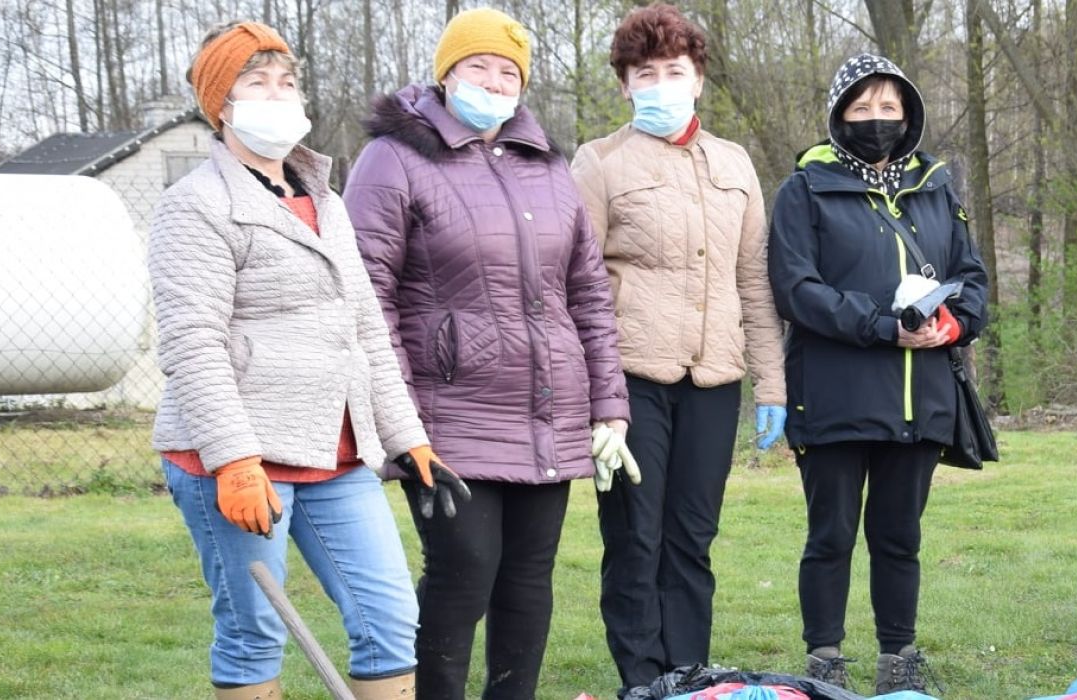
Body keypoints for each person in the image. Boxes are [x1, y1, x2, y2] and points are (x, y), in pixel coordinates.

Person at [151, 21, 466, 700]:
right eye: (255, 82)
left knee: (389, 617)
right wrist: (234, 460)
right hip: (239, 461)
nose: (278, 95)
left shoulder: (325, 199)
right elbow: (191, 343)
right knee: (253, 628)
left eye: (286, 82)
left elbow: (365, 331)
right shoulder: (195, 205)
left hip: (338, 452)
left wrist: (410, 439)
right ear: (220, 104)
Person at [344, 8, 631, 699]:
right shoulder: (394, 158)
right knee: (463, 571)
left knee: (528, 581)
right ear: (446, 75)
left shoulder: (548, 168)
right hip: (448, 417)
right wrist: (400, 420)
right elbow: (364, 294)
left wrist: (609, 408)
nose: (494, 81)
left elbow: (589, 295)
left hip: (547, 416)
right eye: (479, 67)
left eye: (509, 72)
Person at [568, 3, 785, 692]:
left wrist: (772, 385)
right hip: (630, 381)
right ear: (626, 84)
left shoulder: (734, 162)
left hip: (715, 378)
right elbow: (579, 283)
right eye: (645, 73)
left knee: (692, 537)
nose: (661, 83)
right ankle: (641, 677)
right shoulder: (597, 163)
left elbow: (753, 277)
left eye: (675, 70)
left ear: (698, 79)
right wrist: (596, 398)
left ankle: (687, 674)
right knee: (636, 538)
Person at [767, 53, 990, 694]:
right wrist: (879, 325)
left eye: (888, 107)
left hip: (920, 398)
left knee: (900, 536)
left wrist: (955, 323)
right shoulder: (803, 190)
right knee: (831, 533)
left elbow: (972, 278)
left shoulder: (937, 186)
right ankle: (825, 658)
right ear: (839, 116)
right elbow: (796, 289)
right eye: (861, 107)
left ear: (908, 114)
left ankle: (899, 658)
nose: (876, 119)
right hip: (835, 393)